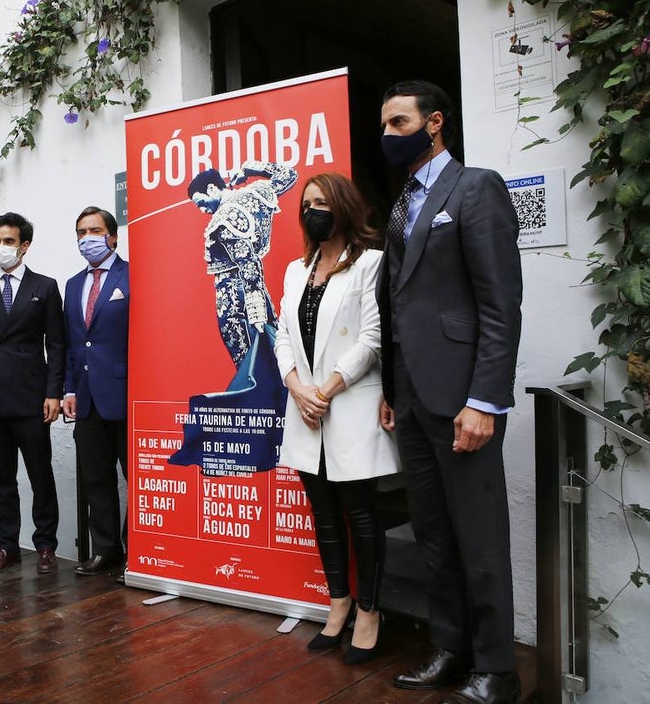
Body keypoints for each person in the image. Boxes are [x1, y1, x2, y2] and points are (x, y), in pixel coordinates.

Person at [377, 81, 523, 704]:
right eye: (382, 124)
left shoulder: (475, 187)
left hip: (462, 398)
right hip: (410, 398)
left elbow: (500, 303)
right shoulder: (402, 201)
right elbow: (397, 302)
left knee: (479, 534)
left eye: (398, 121)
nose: (387, 134)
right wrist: (390, 387)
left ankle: (497, 667)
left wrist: (485, 400)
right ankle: (451, 647)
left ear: (434, 122)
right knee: (433, 534)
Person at [275, 173, 398, 665]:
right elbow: (281, 333)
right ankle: (338, 602)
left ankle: (370, 610)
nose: (312, 211)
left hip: (346, 404)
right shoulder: (293, 269)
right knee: (323, 514)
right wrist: (297, 388)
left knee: (362, 515)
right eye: (307, 204)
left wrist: (323, 391)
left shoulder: (370, 263)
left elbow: (372, 338)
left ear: (344, 207)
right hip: (305, 409)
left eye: (322, 202)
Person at [0, 212, 65, 575]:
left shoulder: (45, 287)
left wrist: (54, 392)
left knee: (40, 473)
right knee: (1, 478)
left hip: (32, 395)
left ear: (24, 245)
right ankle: (8, 546)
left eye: (8, 241)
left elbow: (57, 344)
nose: (1, 247)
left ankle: (46, 545)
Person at [62, 206, 129, 576]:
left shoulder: (132, 275)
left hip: (124, 395)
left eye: (94, 230)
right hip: (86, 399)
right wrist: (69, 388)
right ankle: (106, 549)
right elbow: (74, 343)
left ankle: (136, 550)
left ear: (112, 236)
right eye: (80, 232)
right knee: (96, 478)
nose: (87, 238)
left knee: (136, 477)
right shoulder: (73, 285)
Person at [188, 160, 297, 367]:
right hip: (257, 293)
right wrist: (249, 168)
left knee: (250, 365)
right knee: (273, 356)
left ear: (212, 188)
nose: (202, 211)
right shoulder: (255, 193)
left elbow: (248, 261)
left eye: (201, 203)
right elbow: (287, 174)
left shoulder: (223, 219)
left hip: (234, 300)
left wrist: (256, 312)